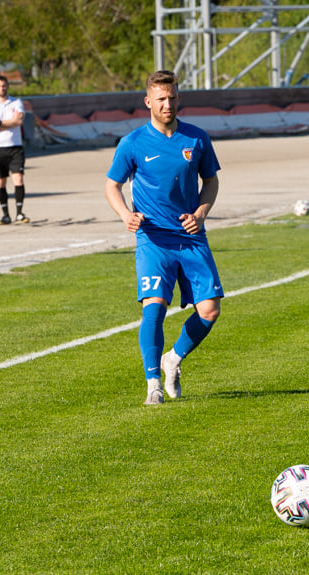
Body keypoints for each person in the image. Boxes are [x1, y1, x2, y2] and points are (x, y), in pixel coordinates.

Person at [105, 70, 224, 405]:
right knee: (154, 308)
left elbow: (211, 181)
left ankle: (172, 359)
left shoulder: (196, 138)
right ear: (148, 102)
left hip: (191, 237)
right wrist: (126, 214)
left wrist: (201, 212)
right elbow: (112, 185)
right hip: (153, 239)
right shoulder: (132, 143)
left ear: (178, 98)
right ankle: (152, 383)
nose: (167, 104)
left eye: (172, 97)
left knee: (210, 310)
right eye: (160, 98)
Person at [0, 75, 29, 225]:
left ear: (8, 86)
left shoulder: (16, 102)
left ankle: (20, 213)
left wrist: (0, 123)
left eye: (4, 85)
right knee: (0, 182)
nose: (2, 88)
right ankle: (5, 214)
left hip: (15, 146)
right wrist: (11, 122)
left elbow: (19, 121)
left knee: (18, 178)